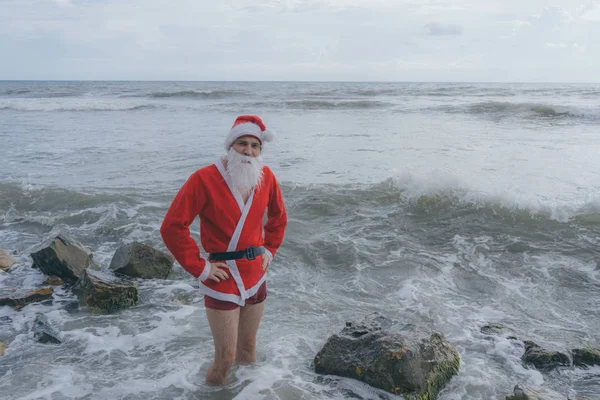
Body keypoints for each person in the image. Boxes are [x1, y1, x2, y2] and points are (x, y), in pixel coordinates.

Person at [160, 115, 287, 385]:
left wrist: (269, 250)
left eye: (255, 146)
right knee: (226, 357)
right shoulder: (203, 179)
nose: (248, 151)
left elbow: (279, 218)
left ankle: (247, 393)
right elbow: (172, 226)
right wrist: (201, 267)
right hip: (223, 277)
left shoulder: (266, 178)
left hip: (256, 274)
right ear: (231, 145)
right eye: (242, 143)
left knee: (247, 351)